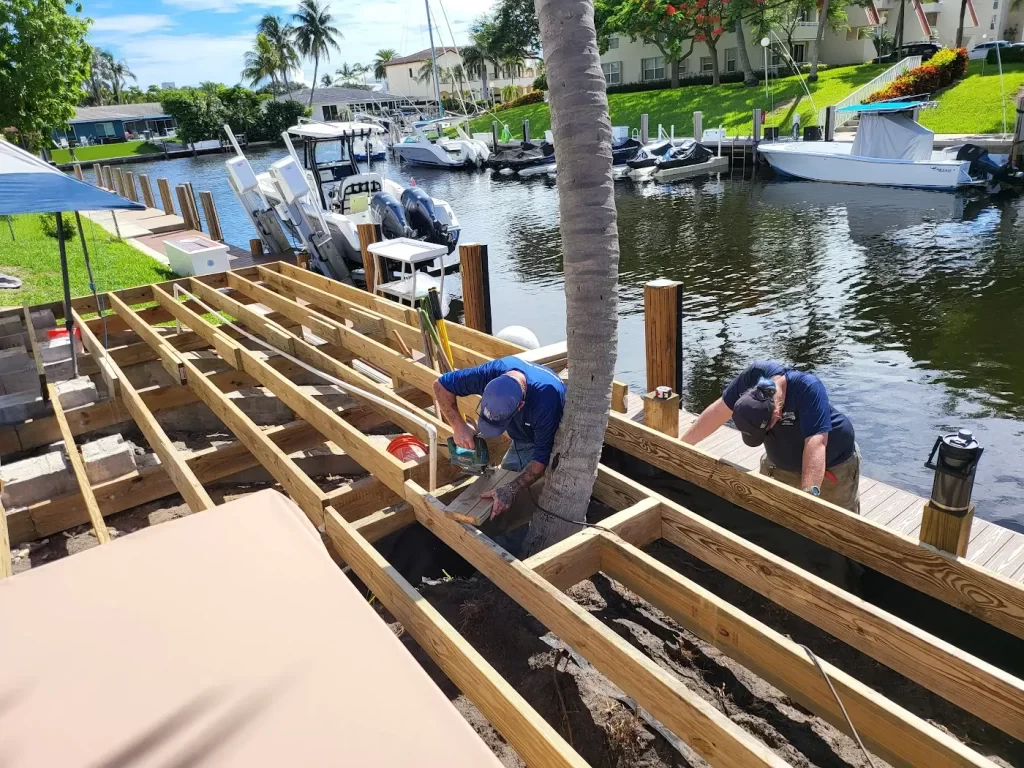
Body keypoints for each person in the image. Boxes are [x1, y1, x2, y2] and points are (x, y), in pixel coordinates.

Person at [680, 360, 860, 513]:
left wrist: (808, 496)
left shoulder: (808, 388)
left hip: (833, 466)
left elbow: (816, 443)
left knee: (835, 525)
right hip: (781, 465)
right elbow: (719, 410)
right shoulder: (753, 376)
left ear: (776, 415)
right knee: (772, 518)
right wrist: (681, 446)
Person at [433, 356, 566, 553]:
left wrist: (511, 489)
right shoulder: (491, 373)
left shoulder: (546, 402)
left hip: (545, 437)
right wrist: (458, 426)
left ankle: (510, 552)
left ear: (519, 406)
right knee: (504, 488)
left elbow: (539, 462)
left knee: (516, 501)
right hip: (524, 431)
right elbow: (440, 386)